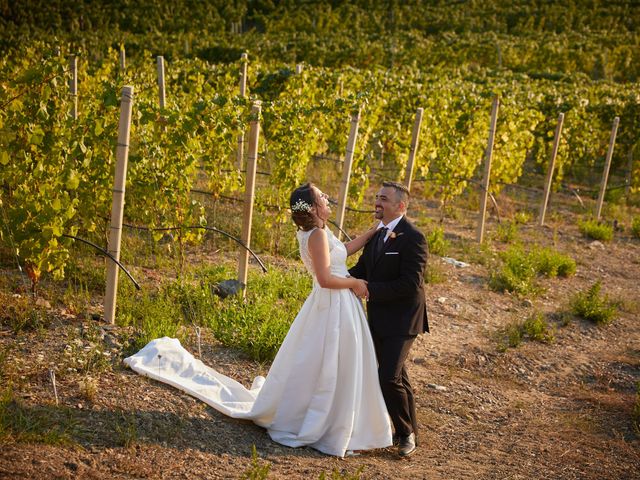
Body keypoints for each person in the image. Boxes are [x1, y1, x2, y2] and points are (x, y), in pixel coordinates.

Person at [124, 183, 392, 457]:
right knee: (331, 362)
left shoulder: (318, 232)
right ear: (313, 207)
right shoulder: (316, 236)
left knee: (324, 361)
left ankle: (330, 415)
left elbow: (342, 251)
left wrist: (371, 232)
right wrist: (355, 283)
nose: (326, 196)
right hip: (334, 303)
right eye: (321, 195)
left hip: (333, 304)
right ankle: (326, 421)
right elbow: (324, 279)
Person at [348, 181, 429, 457]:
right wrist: (336, 279)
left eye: (383, 199)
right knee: (399, 376)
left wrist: (368, 289)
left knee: (388, 376)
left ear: (400, 206)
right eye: (377, 197)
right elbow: (361, 269)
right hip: (379, 317)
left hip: (405, 319)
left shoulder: (413, 237)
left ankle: (405, 435)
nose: (377, 202)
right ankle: (412, 428)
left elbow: (410, 283)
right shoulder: (377, 235)